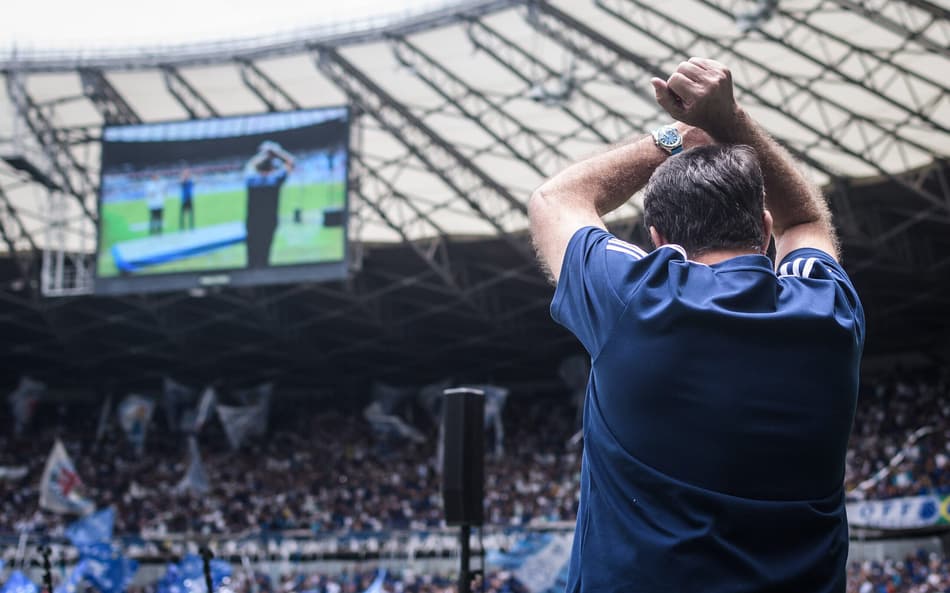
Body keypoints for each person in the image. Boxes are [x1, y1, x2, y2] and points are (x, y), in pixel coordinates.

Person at [528, 57, 864, 592]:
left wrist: (678, 135)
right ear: (765, 228)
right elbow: (807, 220)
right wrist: (730, 122)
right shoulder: (829, 312)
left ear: (659, 240)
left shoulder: (635, 301)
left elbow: (556, 199)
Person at [244, 141, 295, 268]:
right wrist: (276, 153)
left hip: (252, 223)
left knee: (251, 256)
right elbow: (291, 162)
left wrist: (263, 154)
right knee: (265, 254)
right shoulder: (275, 180)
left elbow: (249, 165)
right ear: (272, 169)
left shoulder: (251, 180)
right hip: (269, 223)